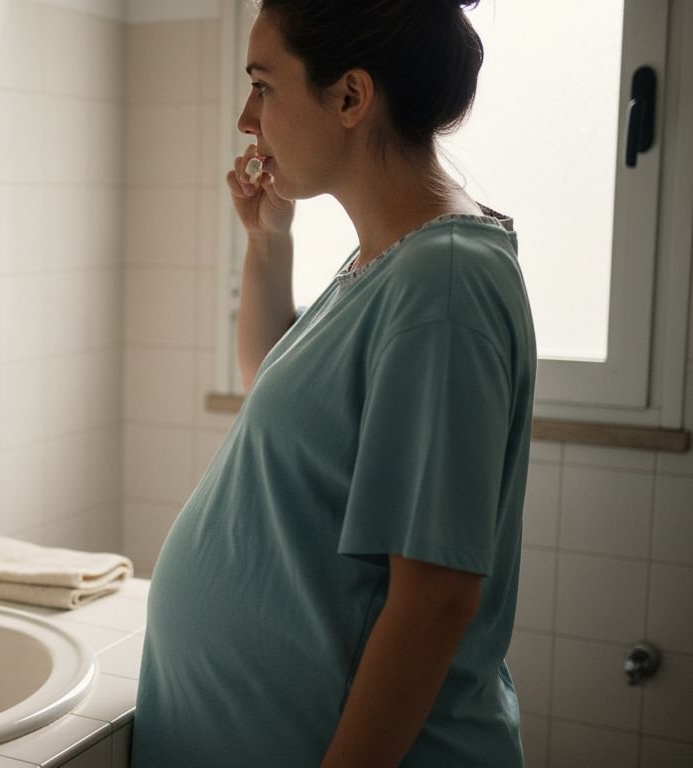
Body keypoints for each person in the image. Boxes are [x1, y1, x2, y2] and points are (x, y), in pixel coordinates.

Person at [132, 1, 536, 766]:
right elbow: (277, 397)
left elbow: (435, 599)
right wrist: (267, 243)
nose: (248, 118)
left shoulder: (442, 282)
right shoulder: (386, 261)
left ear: (351, 97)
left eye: (263, 86)